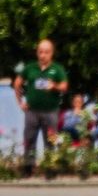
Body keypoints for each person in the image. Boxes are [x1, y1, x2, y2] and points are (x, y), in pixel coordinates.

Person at [12, 38, 68, 173]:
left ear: (51, 53)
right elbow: (17, 83)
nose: (43, 55)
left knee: (51, 140)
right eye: (40, 52)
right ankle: (28, 168)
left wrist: (54, 86)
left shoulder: (57, 69)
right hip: (32, 111)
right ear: (37, 53)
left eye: (46, 52)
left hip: (50, 111)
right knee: (29, 139)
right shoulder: (30, 68)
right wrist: (20, 102)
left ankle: (50, 168)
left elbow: (64, 86)